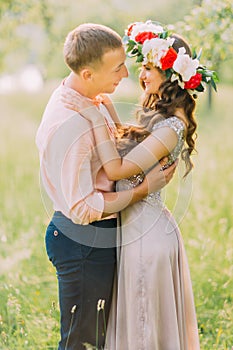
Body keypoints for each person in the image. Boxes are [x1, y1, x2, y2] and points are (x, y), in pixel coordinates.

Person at [62, 20, 218, 349]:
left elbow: (119, 169)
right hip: (140, 233)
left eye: (148, 67)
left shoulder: (172, 126)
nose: (141, 75)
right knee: (141, 323)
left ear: (171, 77)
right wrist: (111, 117)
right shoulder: (163, 120)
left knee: (145, 327)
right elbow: (133, 153)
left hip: (147, 240)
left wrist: (94, 119)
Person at [35, 23, 177, 350]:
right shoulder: (69, 126)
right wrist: (143, 190)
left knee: (103, 338)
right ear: (87, 73)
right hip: (82, 242)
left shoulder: (90, 100)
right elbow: (82, 207)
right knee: (81, 343)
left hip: (102, 237)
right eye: (117, 68)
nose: (126, 73)